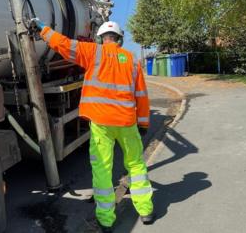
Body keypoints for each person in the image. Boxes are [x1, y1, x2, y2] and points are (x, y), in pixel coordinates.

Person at [31, 19, 155, 232]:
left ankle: (106, 220)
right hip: (126, 122)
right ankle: (145, 210)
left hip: (101, 124)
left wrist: (43, 29)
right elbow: (141, 96)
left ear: (101, 38)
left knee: (102, 170)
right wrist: (143, 122)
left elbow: (63, 44)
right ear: (119, 39)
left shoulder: (92, 52)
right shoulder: (132, 60)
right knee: (136, 165)